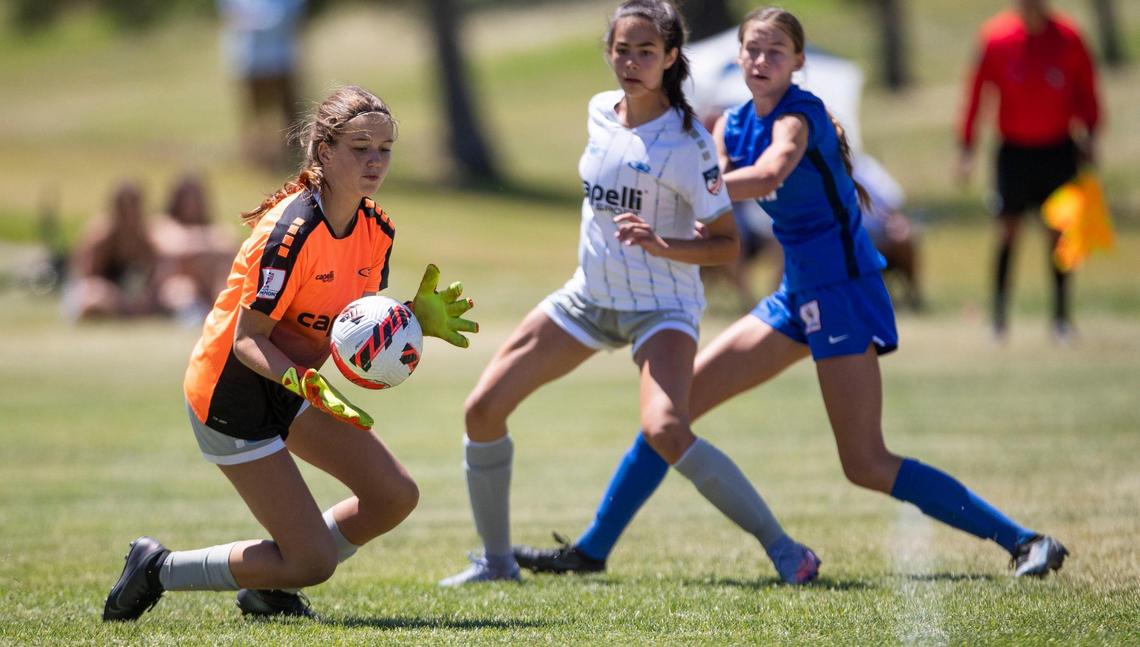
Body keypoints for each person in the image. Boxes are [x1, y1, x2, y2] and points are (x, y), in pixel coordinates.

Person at [514, 7, 1067, 580]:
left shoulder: (800, 117)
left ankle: (1025, 540)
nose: (761, 61)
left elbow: (770, 173)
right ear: (738, 58)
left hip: (842, 292)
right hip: (794, 293)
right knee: (671, 415)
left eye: (775, 52)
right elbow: (711, 205)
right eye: (752, 50)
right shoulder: (730, 124)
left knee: (865, 462)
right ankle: (591, 550)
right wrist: (674, 206)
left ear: (797, 62)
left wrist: (675, 186)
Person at [441, 0, 820, 587]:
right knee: (482, 410)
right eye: (622, 49)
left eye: (647, 51)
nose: (632, 61)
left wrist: (663, 245)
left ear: (671, 58)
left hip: (661, 308)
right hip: (586, 300)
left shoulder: (692, 144)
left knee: (666, 429)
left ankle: (785, 549)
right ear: (608, 52)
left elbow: (725, 247)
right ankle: (495, 564)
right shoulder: (599, 111)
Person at [102, 85, 478, 621]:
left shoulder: (377, 231)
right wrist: (304, 382)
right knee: (312, 563)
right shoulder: (289, 231)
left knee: (394, 496)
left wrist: (413, 319)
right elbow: (247, 339)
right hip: (231, 394)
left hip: (294, 385)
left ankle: (272, 580)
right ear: (325, 151)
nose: (375, 161)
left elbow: (352, 326)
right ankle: (158, 567)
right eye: (360, 147)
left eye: (385, 149)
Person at [956, 0, 1101, 343]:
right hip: (1014, 151)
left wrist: (1091, 133)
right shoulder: (996, 38)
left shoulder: (1069, 37)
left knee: (1060, 234)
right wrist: (967, 147)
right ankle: (998, 320)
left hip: (1059, 148)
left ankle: (1061, 320)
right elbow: (977, 93)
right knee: (1008, 230)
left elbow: (1087, 91)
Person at [217, 0, 306, 170]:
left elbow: (291, 14)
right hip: (249, 59)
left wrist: (259, 22)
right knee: (255, 113)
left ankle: (293, 156)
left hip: (281, 58)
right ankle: (259, 157)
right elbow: (231, 14)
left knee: (290, 111)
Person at [64, 181, 160, 321]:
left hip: (129, 299)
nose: (129, 213)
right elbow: (86, 280)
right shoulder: (100, 237)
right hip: (95, 293)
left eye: (134, 206)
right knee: (94, 300)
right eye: (124, 207)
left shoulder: (147, 239)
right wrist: (114, 295)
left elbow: (155, 278)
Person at [151, 174, 238, 324]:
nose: (191, 204)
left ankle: (226, 311)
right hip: (178, 288)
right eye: (186, 199)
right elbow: (171, 247)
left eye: (195, 198)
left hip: (209, 287)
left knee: (223, 274)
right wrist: (207, 246)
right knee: (182, 285)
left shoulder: (213, 227)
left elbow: (230, 245)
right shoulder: (163, 224)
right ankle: (193, 313)